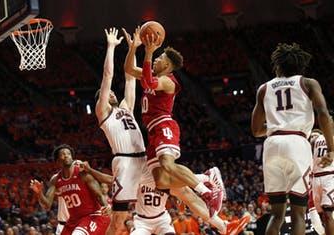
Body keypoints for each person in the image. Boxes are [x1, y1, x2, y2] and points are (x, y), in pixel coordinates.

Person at [122, 27, 224, 216]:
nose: (157, 60)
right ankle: (206, 177)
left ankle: (207, 193)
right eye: (157, 57)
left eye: (160, 59)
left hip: (164, 125)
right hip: (152, 132)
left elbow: (149, 83)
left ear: (167, 66)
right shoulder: (151, 74)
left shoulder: (169, 81)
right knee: (161, 181)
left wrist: (148, 52)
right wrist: (133, 48)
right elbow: (128, 69)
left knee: (168, 164)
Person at [251, 42, 334, 235]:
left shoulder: (263, 89)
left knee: (276, 214)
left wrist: (277, 126)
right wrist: (331, 149)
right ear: (301, 65)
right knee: (298, 212)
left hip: (271, 145)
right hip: (297, 143)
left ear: (277, 65)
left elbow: (255, 130)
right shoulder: (308, 83)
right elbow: (323, 115)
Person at [78, 160, 250, 235]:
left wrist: (181, 203)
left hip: (161, 220)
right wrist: (91, 170)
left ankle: (223, 225)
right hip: (142, 221)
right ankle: (206, 178)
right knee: (187, 193)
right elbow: (111, 180)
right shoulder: (139, 180)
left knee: (188, 195)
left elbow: (184, 202)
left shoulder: (164, 182)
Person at [95, 27, 147, 234]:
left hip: (143, 158)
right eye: (109, 94)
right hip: (124, 162)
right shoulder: (103, 111)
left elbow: (130, 78)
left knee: (167, 187)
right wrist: (111, 47)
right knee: (118, 220)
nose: (113, 94)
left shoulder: (125, 107)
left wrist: (133, 49)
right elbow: (108, 75)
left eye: (113, 93)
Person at [29, 144, 111, 235]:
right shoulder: (55, 180)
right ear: (58, 161)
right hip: (73, 220)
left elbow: (99, 194)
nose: (66, 155)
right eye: (63, 154)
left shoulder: (82, 174)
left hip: (92, 216)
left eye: (68, 153)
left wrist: (105, 206)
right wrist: (39, 192)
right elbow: (47, 205)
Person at [310, 128, 334, 234]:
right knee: (321, 215)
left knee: (328, 213)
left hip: (329, 176)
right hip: (316, 178)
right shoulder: (314, 141)